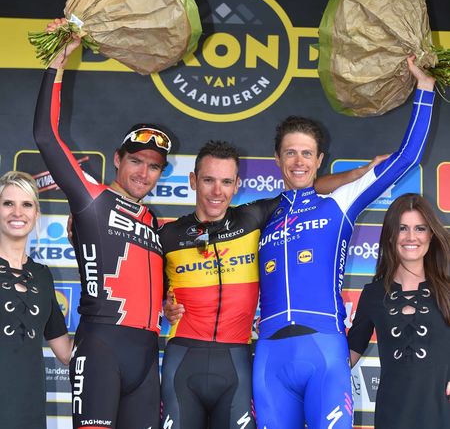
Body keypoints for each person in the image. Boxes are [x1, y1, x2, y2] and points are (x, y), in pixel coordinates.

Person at [254, 56, 436, 429]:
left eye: (307, 153)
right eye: (290, 152)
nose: (299, 161)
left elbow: (408, 157)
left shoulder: (339, 202)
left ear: (320, 159)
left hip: (324, 348)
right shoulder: (259, 215)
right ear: (277, 158)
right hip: (270, 354)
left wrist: (425, 87)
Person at [160, 141, 384, 429]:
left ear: (237, 184)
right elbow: (148, 290)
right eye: (208, 180)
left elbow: (309, 188)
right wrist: (165, 305)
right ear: (193, 180)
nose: (217, 191)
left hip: (236, 362)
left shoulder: (253, 218)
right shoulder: (167, 235)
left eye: (226, 182)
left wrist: (361, 173)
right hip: (183, 359)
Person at [33, 19, 171, 429]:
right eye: (136, 161)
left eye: (154, 167)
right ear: (117, 159)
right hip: (100, 346)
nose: (144, 173)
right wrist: (59, 60)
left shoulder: (154, 221)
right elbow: (46, 136)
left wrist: (168, 303)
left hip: (146, 351)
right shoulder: (91, 199)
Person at [348, 193, 450, 429]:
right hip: (392, 416)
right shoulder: (373, 294)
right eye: (402, 228)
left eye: (420, 228)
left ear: (431, 234)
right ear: (391, 235)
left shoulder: (447, 290)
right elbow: (351, 352)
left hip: (442, 414)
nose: (411, 237)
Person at [0, 171, 72, 429]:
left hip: (29, 406)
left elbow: (66, 353)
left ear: (36, 214)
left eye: (26, 204)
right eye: (8, 203)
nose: (17, 212)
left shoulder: (42, 276)